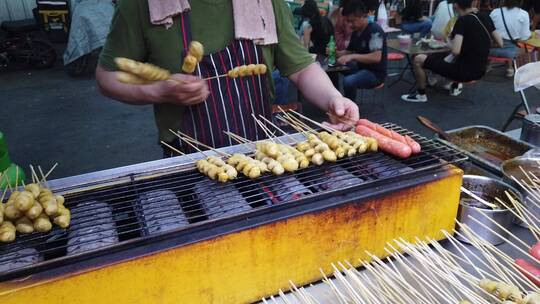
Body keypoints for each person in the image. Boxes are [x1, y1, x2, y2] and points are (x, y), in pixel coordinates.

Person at [95, 0, 359, 156]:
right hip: (187, 158)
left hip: (261, 149)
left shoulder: (263, 2)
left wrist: (334, 98)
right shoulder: (144, 5)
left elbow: (300, 67)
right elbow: (107, 76)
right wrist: (158, 91)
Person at [401, 0, 503, 102]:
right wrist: (479, 46)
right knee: (441, 58)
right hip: (481, 70)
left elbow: (455, 50)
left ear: (455, 6)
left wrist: (447, 40)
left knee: (418, 59)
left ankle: (421, 95)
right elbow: (500, 43)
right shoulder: (485, 17)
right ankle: (443, 83)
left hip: (463, 72)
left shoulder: (462, 21)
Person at [336, 0, 388, 101]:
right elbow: (348, 52)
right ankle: (334, 98)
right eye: (348, 21)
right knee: (334, 67)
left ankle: (350, 108)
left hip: (375, 74)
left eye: (352, 21)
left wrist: (352, 56)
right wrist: (335, 53)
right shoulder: (356, 31)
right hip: (361, 68)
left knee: (348, 81)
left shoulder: (374, 31)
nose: (350, 24)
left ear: (363, 16)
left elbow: (376, 57)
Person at [489, 0, 531, 77]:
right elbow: (525, 37)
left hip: (491, 49)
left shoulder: (495, 12)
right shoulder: (523, 14)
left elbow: (488, 30)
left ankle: (487, 64)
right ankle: (511, 68)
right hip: (510, 52)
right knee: (526, 48)